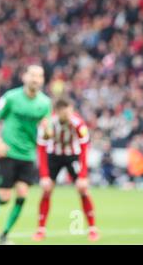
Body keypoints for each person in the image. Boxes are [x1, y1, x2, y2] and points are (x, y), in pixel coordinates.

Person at [0, 65, 52, 244]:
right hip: (8, 152)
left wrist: (47, 131)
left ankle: (4, 235)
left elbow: (48, 130)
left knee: (23, 194)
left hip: (28, 155)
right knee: (5, 198)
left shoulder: (45, 103)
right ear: (24, 77)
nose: (35, 79)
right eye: (32, 75)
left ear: (43, 80)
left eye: (39, 76)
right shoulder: (11, 97)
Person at [33, 97, 99, 242]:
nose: (69, 115)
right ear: (57, 112)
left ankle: (93, 229)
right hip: (53, 156)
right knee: (46, 189)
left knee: (82, 189)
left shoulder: (78, 123)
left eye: (70, 111)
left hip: (72, 156)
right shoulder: (47, 124)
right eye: (65, 112)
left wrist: (83, 175)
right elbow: (41, 150)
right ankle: (41, 230)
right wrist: (44, 175)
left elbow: (83, 149)